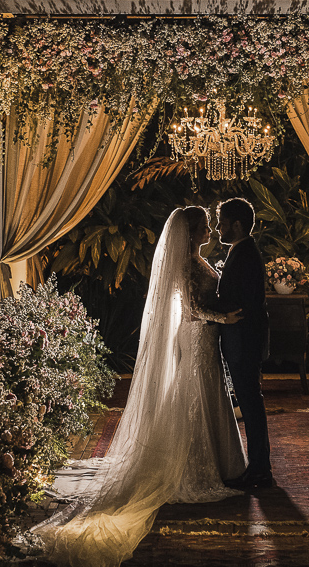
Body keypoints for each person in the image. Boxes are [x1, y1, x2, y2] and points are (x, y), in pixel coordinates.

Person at [31, 206, 245, 567]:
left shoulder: (199, 261)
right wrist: (224, 317)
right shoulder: (186, 265)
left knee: (204, 395)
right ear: (191, 232)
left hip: (206, 340)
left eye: (211, 225)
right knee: (193, 395)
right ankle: (194, 466)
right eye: (205, 226)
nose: (210, 230)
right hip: (197, 336)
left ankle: (222, 460)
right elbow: (192, 308)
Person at [214, 197, 273, 491]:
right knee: (250, 403)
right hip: (243, 340)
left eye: (222, 223)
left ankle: (260, 471)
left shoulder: (246, 254)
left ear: (236, 225)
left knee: (251, 404)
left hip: (244, 341)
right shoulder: (243, 251)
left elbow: (241, 302)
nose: (217, 228)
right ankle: (259, 467)